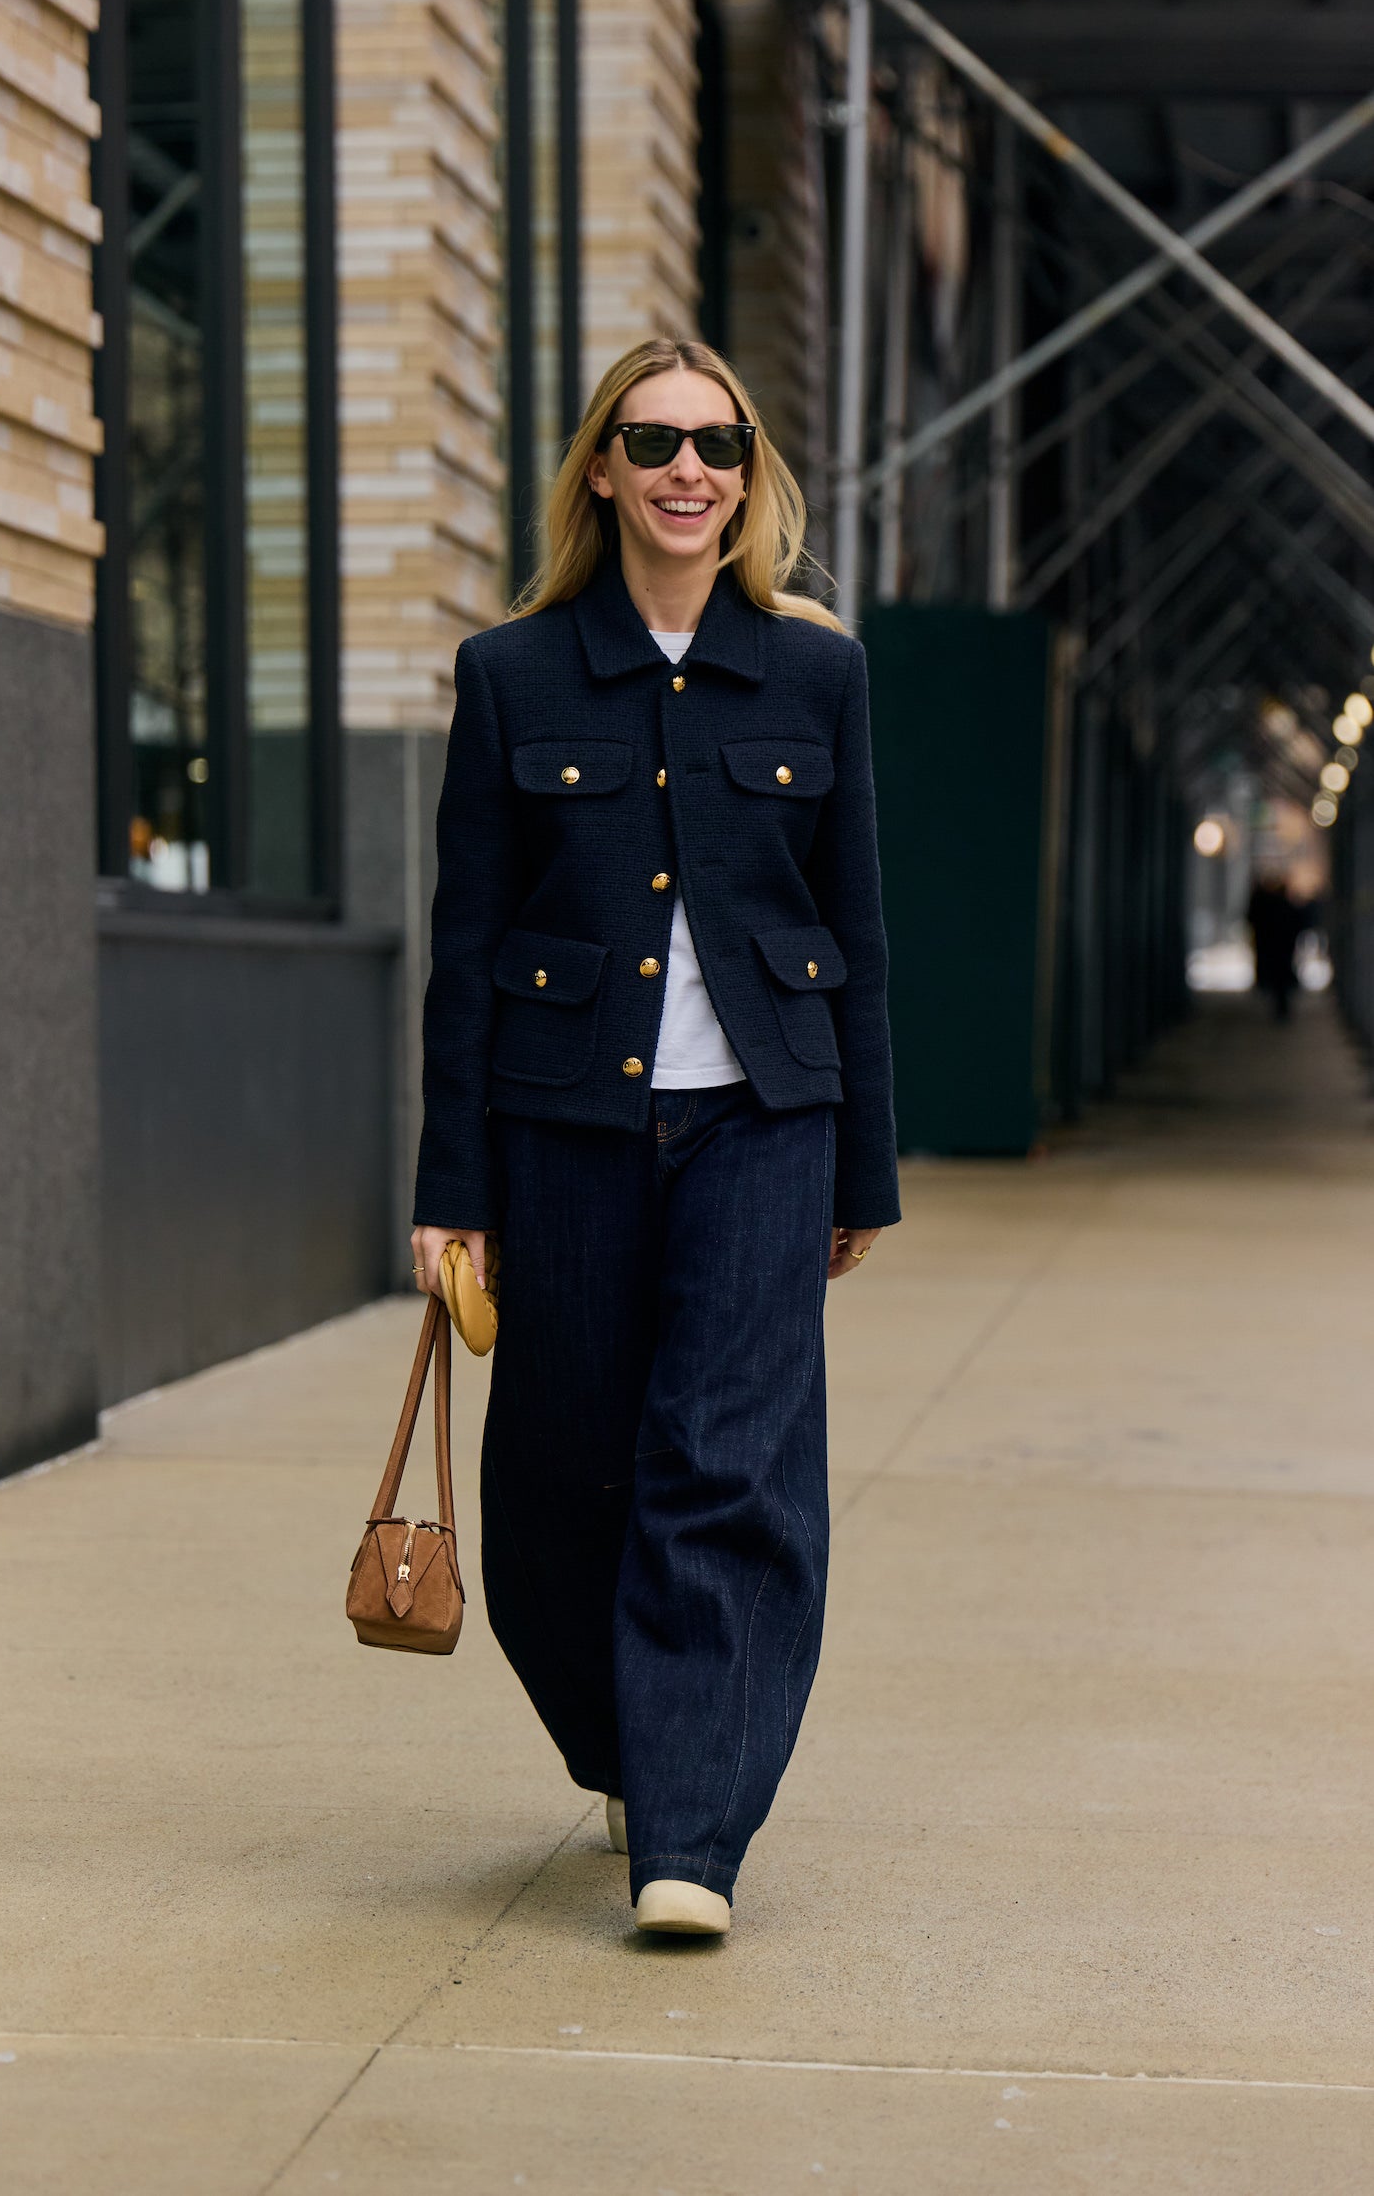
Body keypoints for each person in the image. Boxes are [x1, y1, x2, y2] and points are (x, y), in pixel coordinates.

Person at [410, 338, 899, 1937]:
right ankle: (631, 1736)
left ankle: (688, 1836)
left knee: (728, 1466)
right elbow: (465, 948)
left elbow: (861, 932)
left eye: (720, 443)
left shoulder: (819, 673)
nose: (690, 468)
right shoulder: (514, 675)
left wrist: (862, 1170)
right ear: (602, 469)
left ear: (750, 477)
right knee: (557, 1476)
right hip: (565, 1130)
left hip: (767, 1123)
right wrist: (451, 1191)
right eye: (656, 440)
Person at [1245, 869, 1309, 1023]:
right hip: (1283, 948)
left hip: (1271, 947)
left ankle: (1280, 1007)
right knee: (1281, 978)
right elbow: (1298, 922)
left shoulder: (1264, 905)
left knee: (1277, 978)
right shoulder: (1285, 905)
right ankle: (1282, 1008)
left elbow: (1251, 920)